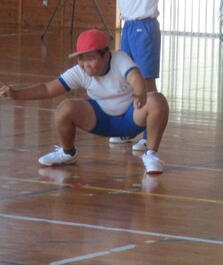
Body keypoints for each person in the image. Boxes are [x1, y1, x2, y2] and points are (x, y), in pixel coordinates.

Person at [44, 0, 189, 149]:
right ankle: (128, 128)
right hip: (128, 27)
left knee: (146, 79)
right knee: (126, 78)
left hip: (145, 29)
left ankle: (147, 135)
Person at [0, 29, 169, 174]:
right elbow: (47, 89)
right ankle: (67, 153)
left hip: (131, 117)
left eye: (90, 58)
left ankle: (150, 155)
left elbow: (135, 76)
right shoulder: (80, 71)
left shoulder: (120, 59)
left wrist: (139, 93)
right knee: (65, 108)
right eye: (80, 58)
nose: (84, 64)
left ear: (106, 55)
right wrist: (15, 94)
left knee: (157, 100)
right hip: (101, 121)